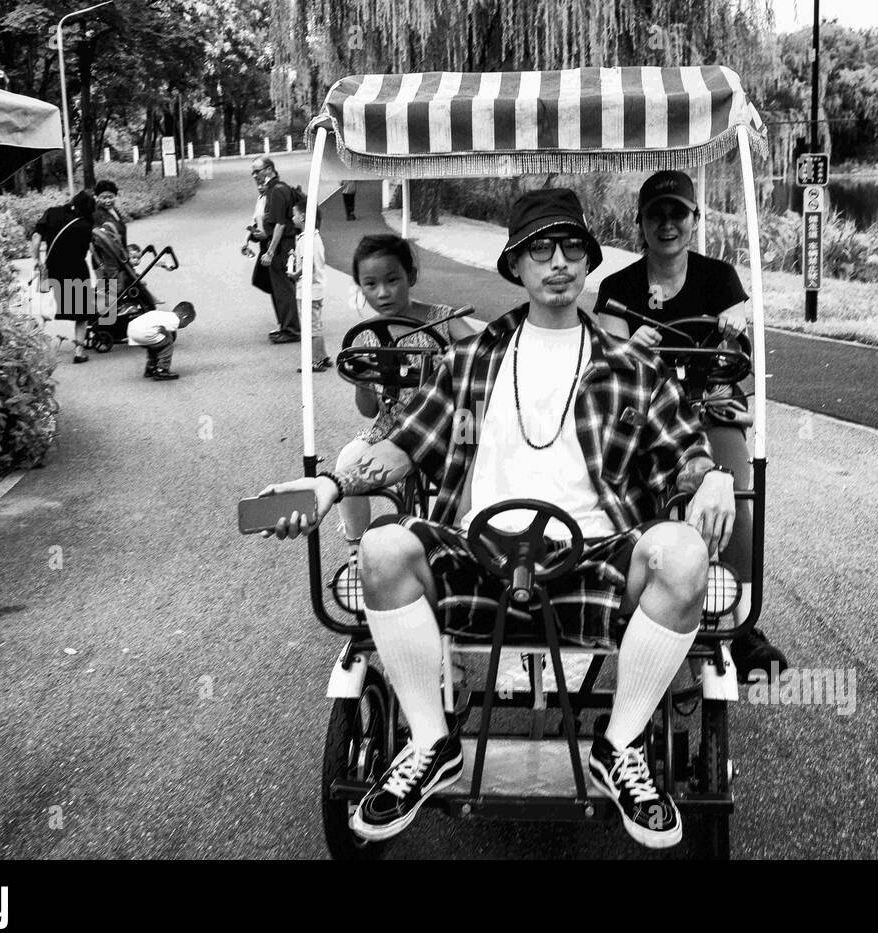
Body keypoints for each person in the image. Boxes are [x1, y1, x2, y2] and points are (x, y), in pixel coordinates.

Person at [261, 189, 735, 849]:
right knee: (380, 547)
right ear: (516, 263)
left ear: (590, 261)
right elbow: (404, 443)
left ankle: (619, 742)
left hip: (593, 557)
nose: (559, 262)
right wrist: (332, 484)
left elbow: (684, 449)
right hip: (474, 556)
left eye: (573, 247)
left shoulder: (633, 364)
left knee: (686, 553)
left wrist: (713, 476)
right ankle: (432, 741)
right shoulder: (472, 356)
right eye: (541, 248)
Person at [595, 169, 786, 682]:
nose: (667, 223)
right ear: (640, 222)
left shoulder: (719, 278)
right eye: (656, 214)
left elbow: (738, 342)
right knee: (624, 483)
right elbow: (611, 361)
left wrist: (732, 331)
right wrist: (631, 350)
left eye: (677, 213)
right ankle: (629, 598)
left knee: (737, 488)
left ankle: (740, 623)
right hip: (651, 413)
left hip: (711, 404)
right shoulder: (617, 288)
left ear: (694, 218)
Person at [333, 235, 464, 561]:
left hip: (444, 429)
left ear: (411, 277)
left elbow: (485, 356)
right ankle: (356, 549)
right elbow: (367, 411)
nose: (383, 292)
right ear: (360, 288)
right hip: (389, 430)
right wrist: (363, 381)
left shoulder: (443, 318)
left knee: (476, 470)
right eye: (371, 284)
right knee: (346, 462)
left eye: (392, 280)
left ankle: (458, 548)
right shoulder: (365, 336)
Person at [31, 191, 97, 364]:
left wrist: (37, 260)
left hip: (52, 267)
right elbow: (90, 247)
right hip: (76, 268)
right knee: (81, 313)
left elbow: (37, 238)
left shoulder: (52, 212)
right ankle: (79, 351)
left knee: (46, 307)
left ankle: (41, 349)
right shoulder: (86, 222)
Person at [250, 158, 301, 344]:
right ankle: (285, 325)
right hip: (274, 243)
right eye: (253, 173)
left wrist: (270, 252)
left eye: (257, 171)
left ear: (269, 169)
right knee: (273, 285)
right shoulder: (270, 190)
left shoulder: (278, 190)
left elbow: (280, 224)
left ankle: (292, 330)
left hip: (281, 246)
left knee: (283, 287)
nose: (255, 176)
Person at [288, 198, 332, 372]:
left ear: (303, 217)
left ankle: (315, 361)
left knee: (310, 327)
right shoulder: (314, 236)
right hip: (317, 288)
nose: (292, 218)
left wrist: (294, 274)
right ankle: (322, 355)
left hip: (308, 290)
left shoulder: (306, 239)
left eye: (294, 215)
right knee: (316, 324)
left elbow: (308, 265)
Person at [126, 301, 196, 381]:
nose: (186, 325)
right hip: (144, 333)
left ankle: (151, 368)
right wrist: (168, 335)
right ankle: (162, 370)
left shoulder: (163, 315)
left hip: (132, 331)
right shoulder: (175, 320)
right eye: (188, 323)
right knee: (168, 344)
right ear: (185, 317)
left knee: (155, 346)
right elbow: (163, 330)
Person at [92, 179, 128, 246]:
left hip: (120, 252)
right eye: (104, 198)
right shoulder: (95, 214)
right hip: (107, 254)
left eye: (111, 197)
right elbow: (98, 238)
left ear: (116, 197)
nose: (108, 201)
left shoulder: (114, 210)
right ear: (96, 198)